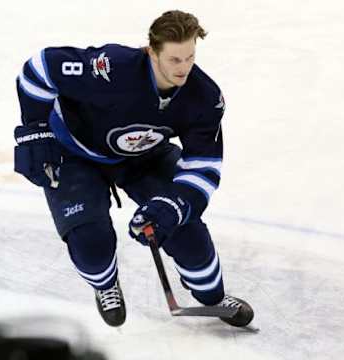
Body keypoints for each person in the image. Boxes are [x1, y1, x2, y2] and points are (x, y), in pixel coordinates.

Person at [13, 10, 253, 327]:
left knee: (189, 236)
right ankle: (106, 285)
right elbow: (39, 70)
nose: (184, 69)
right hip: (74, 153)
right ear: (151, 51)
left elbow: (204, 167)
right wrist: (36, 131)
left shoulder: (204, 98)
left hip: (144, 157)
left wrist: (172, 206)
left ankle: (213, 298)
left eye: (189, 57)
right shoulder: (110, 69)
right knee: (90, 243)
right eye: (174, 60)